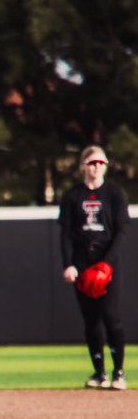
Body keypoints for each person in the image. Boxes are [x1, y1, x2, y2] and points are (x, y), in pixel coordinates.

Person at [58, 145, 129, 390]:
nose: (96, 167)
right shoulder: (73, 196)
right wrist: (69, 264)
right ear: (83, 166)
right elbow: (66, 234)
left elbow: (121, 231)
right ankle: (99, 372)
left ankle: (119, 372)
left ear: (106, 166)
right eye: (91, 162)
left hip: (107, 261)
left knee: (112, 317)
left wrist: (106, 264)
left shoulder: (114, 193)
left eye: (100, 162)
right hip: (82, 261)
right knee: (91, 320)